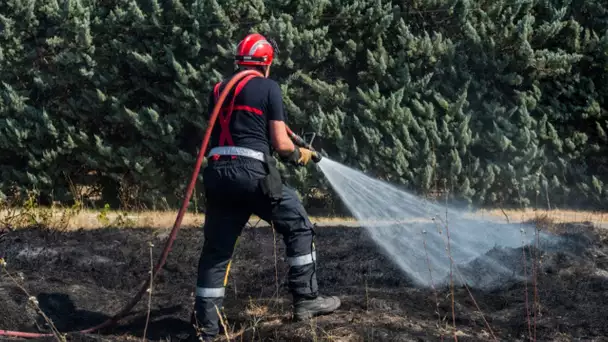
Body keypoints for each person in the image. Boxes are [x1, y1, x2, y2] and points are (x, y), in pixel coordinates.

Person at [190, 33, 341, 341]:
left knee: (216, 251)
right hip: (252, 175)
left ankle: (206, 328)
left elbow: (230, 129)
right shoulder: (268, 87)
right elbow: (281, 144)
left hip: (218, 175)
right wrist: (301, 155)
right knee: (298, 226)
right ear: (266, 63)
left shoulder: (219, 89)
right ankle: (307, 299)